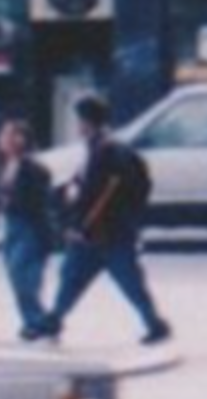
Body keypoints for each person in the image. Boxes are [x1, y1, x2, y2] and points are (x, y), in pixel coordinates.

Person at [35, 95, 171, 346]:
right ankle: (54, 320)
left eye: (79, 120)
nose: (77, 126)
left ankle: (154, 323)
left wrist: (80, 225)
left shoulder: (107, 152)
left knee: (122, 281)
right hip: (105, 231)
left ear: (87, 122)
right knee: (75, 277)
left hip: (105, 232)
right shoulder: (104, 149)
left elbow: (102, 196)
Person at [0, 116, 56, 341]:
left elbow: (37, 202)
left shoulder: (35, 169)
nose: (1, 139)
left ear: (20, 139)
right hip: (11, 226)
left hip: (30, 227)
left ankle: (38, 322)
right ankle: (34, 322)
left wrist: (8, 201)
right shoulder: (3, 166)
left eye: (7, 134)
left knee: (23, 276)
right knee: (16, 277)